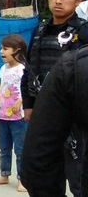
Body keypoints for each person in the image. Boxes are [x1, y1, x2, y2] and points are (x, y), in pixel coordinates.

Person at [21, 0, 88, 195]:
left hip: (73, 113)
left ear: (78, 1)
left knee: (78, 170)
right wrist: (29, 105)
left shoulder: (83, 32)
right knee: (44, 166)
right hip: (43, 110)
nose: (58, 1)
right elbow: (28, 68)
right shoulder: (39, 31)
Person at [21, 47, 88, 196]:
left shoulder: (72, 66)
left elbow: (37, 163)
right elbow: (28, 71)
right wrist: (28, 103)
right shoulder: (40, 32)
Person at [0, 34, 28, 193]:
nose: (1, 52)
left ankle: (22, 179)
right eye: (1, 48)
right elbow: (4, 86)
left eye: (5, 49)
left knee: (20, 149)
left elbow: (28, 89)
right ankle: (4, 175)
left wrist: (22, 100)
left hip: (18, 116)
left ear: (17, 51)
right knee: (4, 147)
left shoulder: (23, 69)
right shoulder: (4, 68)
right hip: (2, 114)